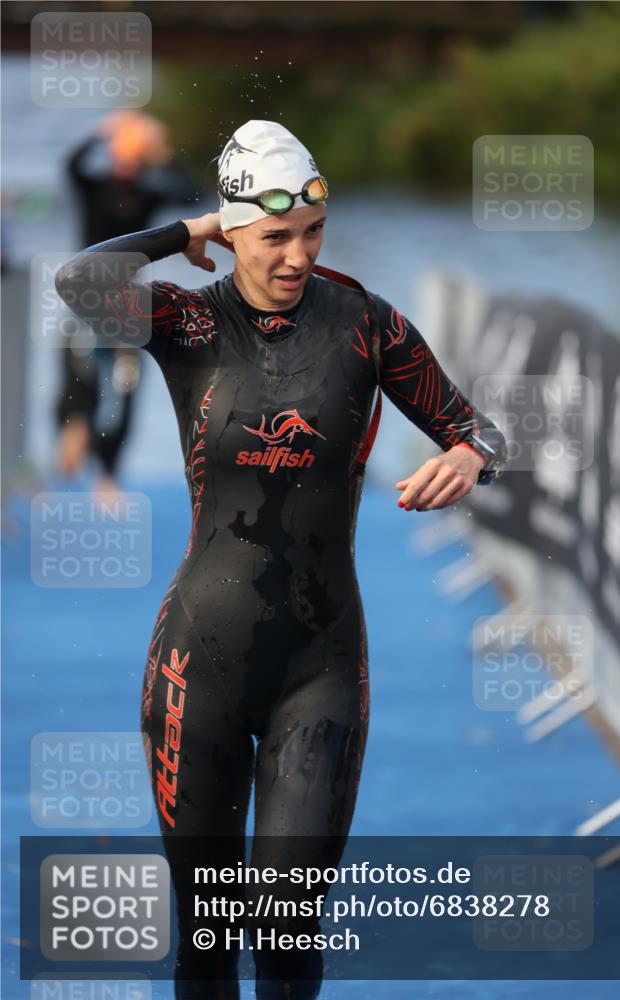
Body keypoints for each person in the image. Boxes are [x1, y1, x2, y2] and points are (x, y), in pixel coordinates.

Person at [55, 120, 507, 999]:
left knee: (289, 937)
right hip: (198, 662)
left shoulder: (366, 324)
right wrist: (187, 231)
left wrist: (468, 458)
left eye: (312, 233)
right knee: (208, 943)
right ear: (232, 232)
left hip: (321, 665)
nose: (298, 255)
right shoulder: (186, 319)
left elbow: (476, 426)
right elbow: (78, 280)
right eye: (273, 237)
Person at [56, 111, 200, 493]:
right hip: (85, 301)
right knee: (77, 377)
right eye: (122, 152)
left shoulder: (147, 194)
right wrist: (101, 133)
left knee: (126, 390)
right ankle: (74, 430)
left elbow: (193, 194)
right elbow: (70, 166)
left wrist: (163, 155)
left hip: (128, 306)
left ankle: (108, 473)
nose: (127, 161)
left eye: (135, 155)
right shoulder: (93, 186)